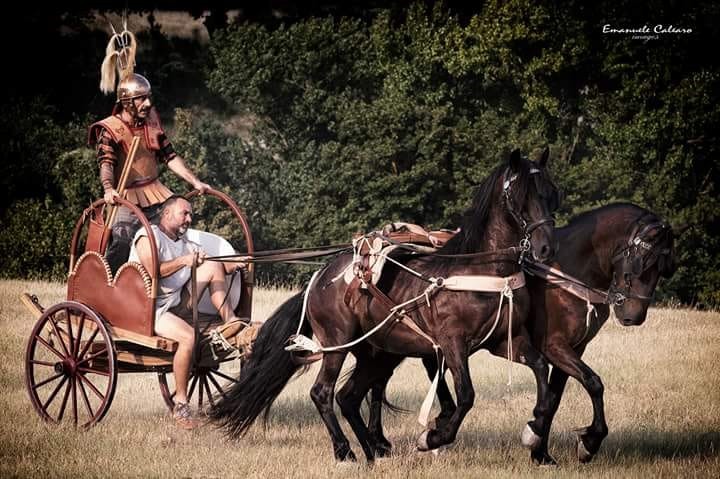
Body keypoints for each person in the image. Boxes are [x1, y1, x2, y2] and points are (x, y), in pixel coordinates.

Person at [88, 24, 209, 272]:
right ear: (127, 102)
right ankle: (108, 290)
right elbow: (106, 163)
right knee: (121, 240)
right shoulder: (110, 128)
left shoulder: (151, 122)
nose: (147, 103)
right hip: (125, 197)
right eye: (141, 99)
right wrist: (109, 189)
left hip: (156, 193)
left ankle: (167, 283)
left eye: (147, 97)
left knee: (175, 230)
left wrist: (195, 182)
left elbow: (170, 156)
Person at [129, 195, 250, 429]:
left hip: (175, 303)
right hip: (148, 309)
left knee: (213, 265)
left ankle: (230, 320)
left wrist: (234, 264)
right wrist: (184, 261)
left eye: (190, 214)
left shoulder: (185, 242)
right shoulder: (148, 236)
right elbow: (153, 270)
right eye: (184, 213)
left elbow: (210, 263)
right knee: (188, 338)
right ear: (167, 214)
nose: (189, 218)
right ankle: (181, 404)